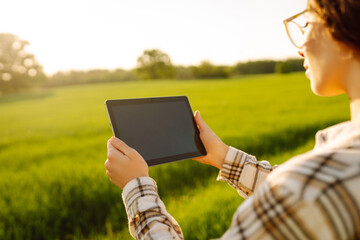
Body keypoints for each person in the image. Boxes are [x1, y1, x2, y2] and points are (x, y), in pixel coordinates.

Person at [104, 0, 360, 238]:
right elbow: (296, 188)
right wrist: (223, 156)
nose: (300, 47)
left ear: (346, 33)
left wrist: (136, 187)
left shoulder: (314, 186)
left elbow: (302, 190)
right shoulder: (332, 173)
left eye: (307, 23)